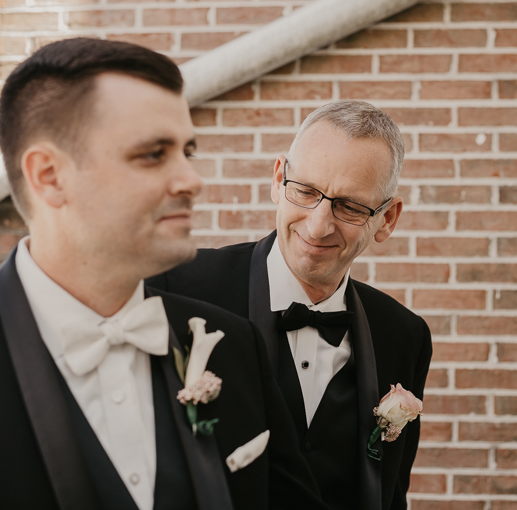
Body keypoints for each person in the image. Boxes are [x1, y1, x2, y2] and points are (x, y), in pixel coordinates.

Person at [0, 38, 326, 510]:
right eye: (152, 154)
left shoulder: (230, 345)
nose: (191, 179)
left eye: (187, 150)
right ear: (49, 176)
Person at [148, 100, 433, 510]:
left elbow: (391, 493)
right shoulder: (177, 287)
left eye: (350, 206)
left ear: (387, 219)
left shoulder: (404, 336)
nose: (318, 225)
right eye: (305, 191)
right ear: (279, 178)